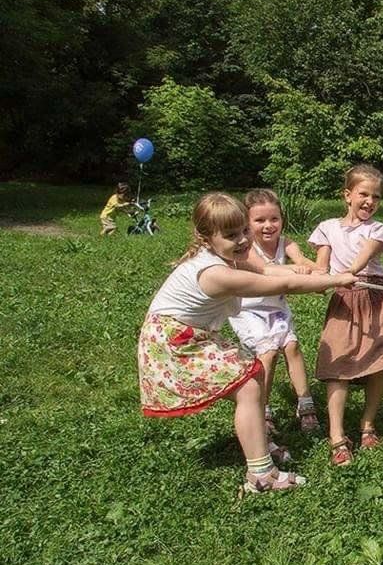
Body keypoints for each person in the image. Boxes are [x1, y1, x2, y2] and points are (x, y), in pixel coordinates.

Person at [138, 192, 355, 492]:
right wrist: (334, 281)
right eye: (231, 235)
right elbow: (280, 283)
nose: (242, 240)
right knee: (248, 385)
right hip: (173, 342)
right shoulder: (215, 273)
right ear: (205, 237)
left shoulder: (225, 257)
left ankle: (259, 443)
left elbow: (268, 269)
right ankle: (261, 474)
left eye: (243, 231)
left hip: (190, 334)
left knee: (252, 378)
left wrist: (316, 272)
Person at [309, 165, 383, 465]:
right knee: (338, 364)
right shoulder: (327, 227)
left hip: (375, 297)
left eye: (376, 197)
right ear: (347, 195)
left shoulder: (377, 229)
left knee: (379, 362)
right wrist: (315, 278)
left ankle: (368, 424)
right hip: (344, 301)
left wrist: (345, 274)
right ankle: (337, 436)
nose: (370, 201)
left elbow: (364, 256)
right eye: (363, 194)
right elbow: (321, 266)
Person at [228, 189, 322, 459]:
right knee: (267, 354)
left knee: (292, 347)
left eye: (274, 219)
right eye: (260, 221)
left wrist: (315, 269)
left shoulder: (286, 242)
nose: (268, 226)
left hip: (276, 308)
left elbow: (304, 262)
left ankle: (306, 403)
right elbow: (268, 272)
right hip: (249, 310)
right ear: (247, 223)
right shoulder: (247, 250)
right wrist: (299, 272)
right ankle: (262, 409)